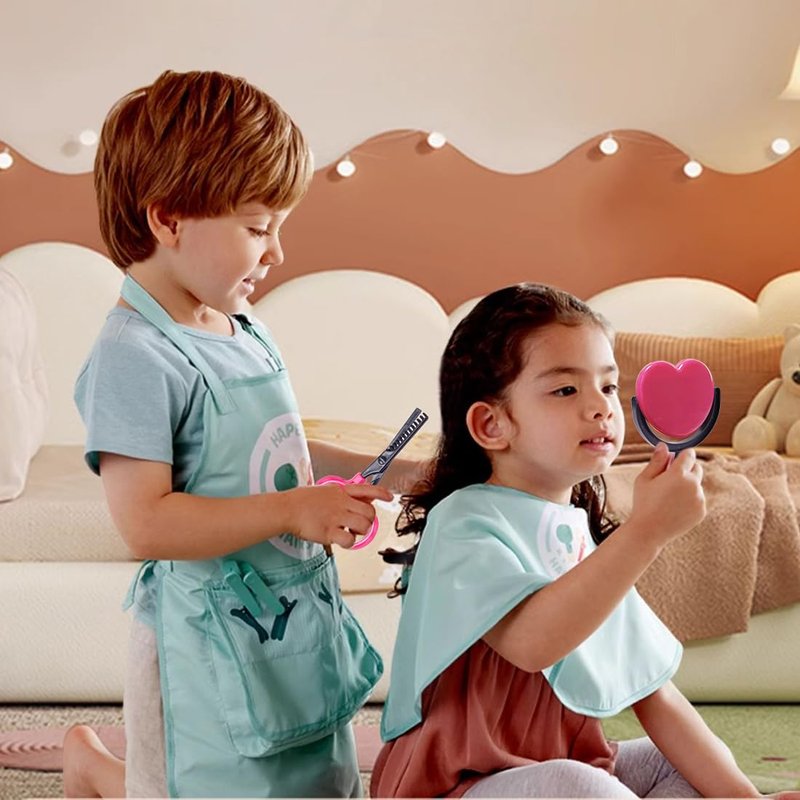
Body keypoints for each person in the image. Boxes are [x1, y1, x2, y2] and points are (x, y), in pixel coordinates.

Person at [63, 69, 418, 799]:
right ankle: (91, 767)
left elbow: (276, 447)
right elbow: (146, 523)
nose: (277, 252)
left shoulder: (241, 326)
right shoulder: (133, 355)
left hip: (286, 614)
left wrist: (384, 470)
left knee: (312, 775)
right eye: (258, 228)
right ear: (169, 220)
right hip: (200, 646)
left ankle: (97, 768)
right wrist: (294, 510)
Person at [370, 283, 796, 799]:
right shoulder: (463, 522)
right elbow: (532, 644)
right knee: (581, 785)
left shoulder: (576, 534)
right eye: (566, 390)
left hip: (557, 770)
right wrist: (647, 531)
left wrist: (747, 798)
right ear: (492, 424)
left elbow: (656, 696)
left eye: (609, 386)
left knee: (680, 767)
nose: (601, 407)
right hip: (454, 785)